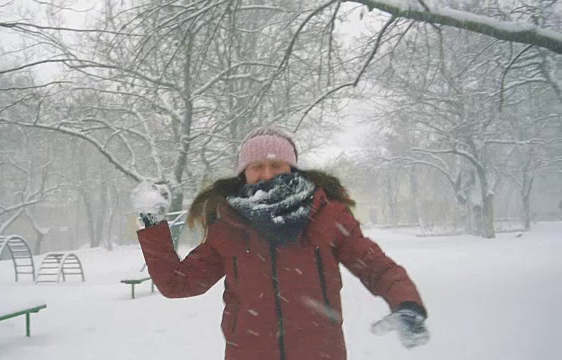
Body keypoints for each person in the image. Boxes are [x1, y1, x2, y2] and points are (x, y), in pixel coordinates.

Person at [131, 127, 430, 360]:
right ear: (244, 173)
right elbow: (179, 283)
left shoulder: (327, 214)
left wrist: (406, 302)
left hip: (319, 354)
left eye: (276, 165)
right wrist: (152, 223)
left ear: (292, 167)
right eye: (257, 166)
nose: (266, 174)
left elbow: (374, 264)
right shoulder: (228, 225)